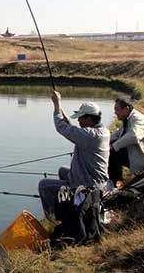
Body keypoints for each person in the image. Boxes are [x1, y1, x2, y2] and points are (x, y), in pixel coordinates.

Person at [38, 90, 110, 219]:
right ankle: (68, 204)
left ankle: (55, 218)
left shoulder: (89, 135)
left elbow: (62, 128)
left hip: (88, 186)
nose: (79, 122)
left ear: (89, 118)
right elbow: (73, 129)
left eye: (81, 118)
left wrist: (56, 105)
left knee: (44, 185)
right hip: (97, 181)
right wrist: (61, 110)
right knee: (62, 170)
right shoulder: (102, 131)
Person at [108, 96, 144, 188]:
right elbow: (118, 134)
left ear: (126, 109)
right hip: (135, 152)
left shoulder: (138, 119)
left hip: (141, 157)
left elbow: (134, 136)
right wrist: (103, 141)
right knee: (109, 148)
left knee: (111, 153)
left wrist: (114, 146)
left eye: (117, 110)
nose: (115, 112)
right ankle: (115, 181)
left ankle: (116, 184)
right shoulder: (128, 119)